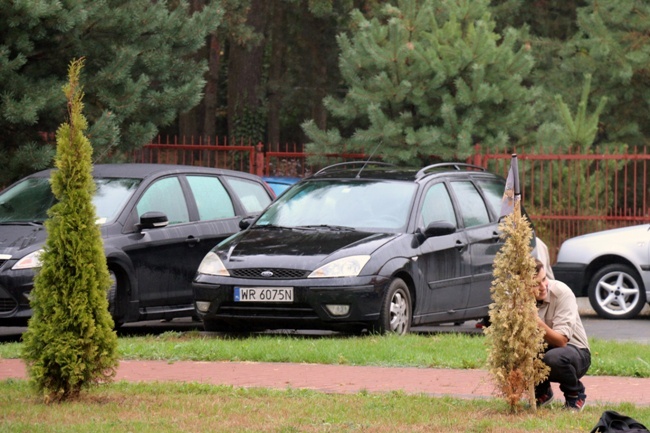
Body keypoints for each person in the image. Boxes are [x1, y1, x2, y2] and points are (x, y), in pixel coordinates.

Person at [533, 258, 591, 411]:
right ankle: (542, 392)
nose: (543, 286)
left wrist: (535, 322)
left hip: (575, 353)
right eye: (535, 284)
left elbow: (561, 341)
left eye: (544, 279)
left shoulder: (561, 292)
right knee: (513, 354)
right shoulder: (518, 301)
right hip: (542, 350)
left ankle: (575, 394)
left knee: (554, 358)